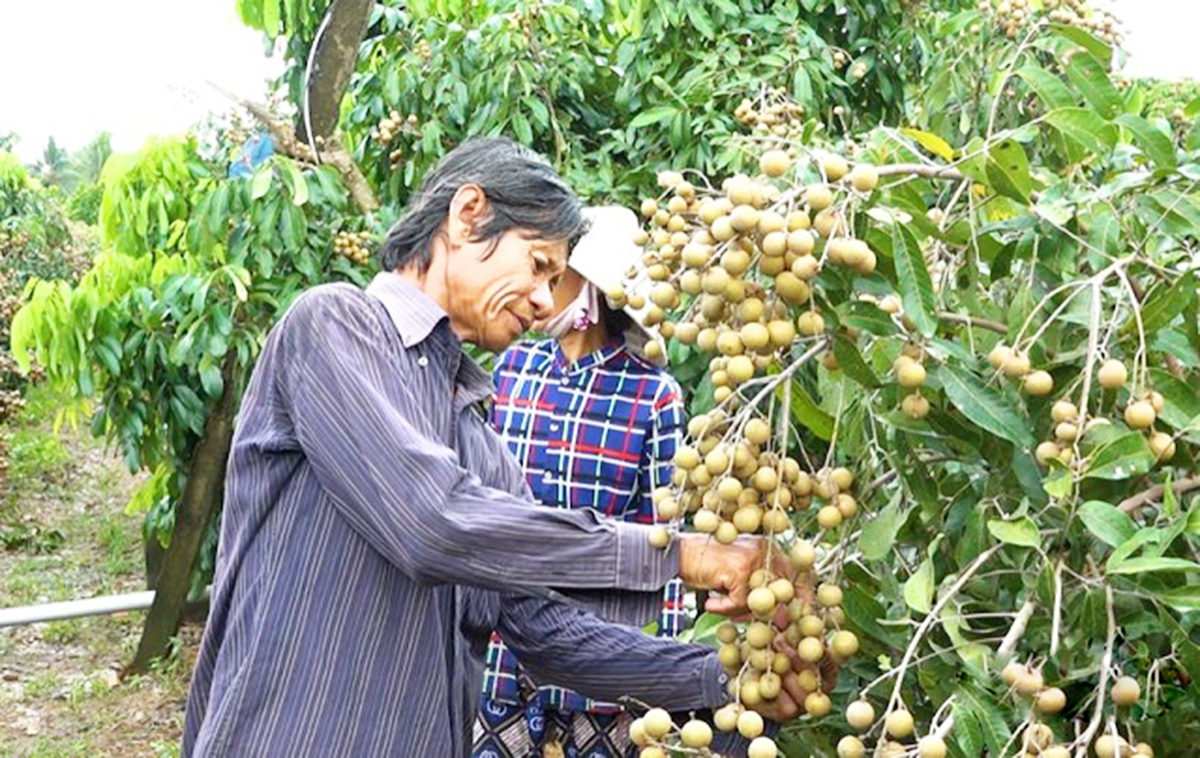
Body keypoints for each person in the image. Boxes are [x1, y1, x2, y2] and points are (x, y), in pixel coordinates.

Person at [181, 138, 808, 757]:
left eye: (556, 281)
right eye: (538, 267)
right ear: (467, 214)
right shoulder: (334, 327)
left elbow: (548, 632)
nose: (543, 302)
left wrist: (733, 681)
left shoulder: (474, 431)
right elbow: (430, 523)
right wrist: (684, 556)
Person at [473, 207, 689, 758]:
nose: (540, 290)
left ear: (591, 291)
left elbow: (664, 537)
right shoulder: (513, 369)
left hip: (602, 662)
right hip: (504, 654)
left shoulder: (653, 395)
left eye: (556, 275)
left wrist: (657, 672)